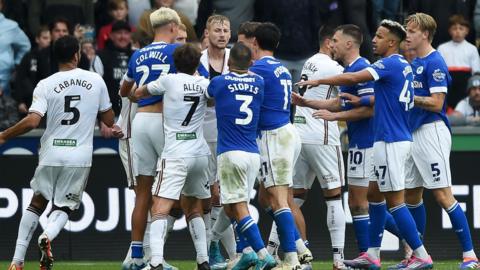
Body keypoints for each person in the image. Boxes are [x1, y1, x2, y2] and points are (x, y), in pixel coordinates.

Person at [298, 19, 433, 269]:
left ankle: (420, 253)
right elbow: (375, 98)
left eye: (380, 36)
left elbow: (357, 79)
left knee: (394, 201)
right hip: (387, 138)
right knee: (373, 196)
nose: (374, 40)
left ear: (392, 42)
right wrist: (350, 101)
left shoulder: (387, 63)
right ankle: (372, 253)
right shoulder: (402, 65)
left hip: (390, 140)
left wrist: (320, 82)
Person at [3, 35, 114, 270]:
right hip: (79, 156)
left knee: (37, 202)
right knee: (65, 206)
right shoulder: (95, 80)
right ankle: (48, 235)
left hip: (51, 152)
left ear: (55, 57)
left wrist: (4, 135)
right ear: (77, 55)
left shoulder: (45, 83)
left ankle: (17, 261)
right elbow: (108, 119)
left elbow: (32, 121)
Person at [403, 12, 479, 270]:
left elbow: (437, 104)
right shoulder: (413, 63)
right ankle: (418, 256)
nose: (407, 36)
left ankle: (470, 256)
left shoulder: (435, 61)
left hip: (431, 131)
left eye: (412, 31)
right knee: (412, 196)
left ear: (425, 34)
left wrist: (409, 97)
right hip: (413, 132)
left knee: (444, 195)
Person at [133, 43, 212, 270]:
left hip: (176, 153)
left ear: (174, 63)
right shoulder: (205, 84)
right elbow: (214, 101)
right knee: (193, 207)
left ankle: (156, 261)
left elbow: (140, 93)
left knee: (160, 206)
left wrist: (133, 93)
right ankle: (203, 259)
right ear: (198, 63)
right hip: (199, 153)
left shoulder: (168, 80)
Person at [119, 7, 181, 270]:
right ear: (171, 27)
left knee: (142, 191)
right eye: (177, 28)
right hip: (163, 121)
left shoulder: (138, 54)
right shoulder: (176, 52)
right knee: (165, 191)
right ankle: (156, 258)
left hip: (140, 121)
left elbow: (124, 90)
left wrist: (136, 95)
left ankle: (135, 256)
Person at [205, 41, 277, 270]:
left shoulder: (219, 82)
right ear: (251, 63)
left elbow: (207, 97)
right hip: (252, 153)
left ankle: (263, 254)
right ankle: (228, 247)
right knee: (232, 205)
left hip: (230, 152)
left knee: (237, 207)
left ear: (229, 63)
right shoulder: (259, 81)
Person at [248, 22, 309, 270]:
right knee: (266, 196)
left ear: (254, 43)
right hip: (286, 131)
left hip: (274, 136)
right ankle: (301, 248)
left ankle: (293, 258)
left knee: (279, 199)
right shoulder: (282, 68)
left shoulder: (258, 69)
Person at [196, 14, 237, 269]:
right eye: (217, 30)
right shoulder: (199, 61)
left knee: (227, 194)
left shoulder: (236, 57)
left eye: (225, 30)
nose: (222, 34)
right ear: (207, 34)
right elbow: (207, 98)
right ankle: (214, 251)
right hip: (204, 132)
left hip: (231, 133)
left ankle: (229, 254)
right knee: (211, 195)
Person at [438, 14, 480, 109]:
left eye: (461, 28)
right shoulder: (442, 48)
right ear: (450, 31)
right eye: (454, 28)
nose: (457, 31)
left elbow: (476, 73)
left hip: (465, 87)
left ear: (467, 31)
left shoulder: (472, 49)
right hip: (448, 85)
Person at [13, 26, 51, 117]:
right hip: (30, 101)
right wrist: (20, 101)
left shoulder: (53, 57)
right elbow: (20, 79)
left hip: (49, 101)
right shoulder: (29, 56)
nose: (48, 41)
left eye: (49, 38)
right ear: (37, 39)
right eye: (44, 38)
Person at [0, 0, 30, 96]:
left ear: (1, 5)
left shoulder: (11, 26)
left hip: (3, 79)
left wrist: (16, 64)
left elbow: (26, 46)